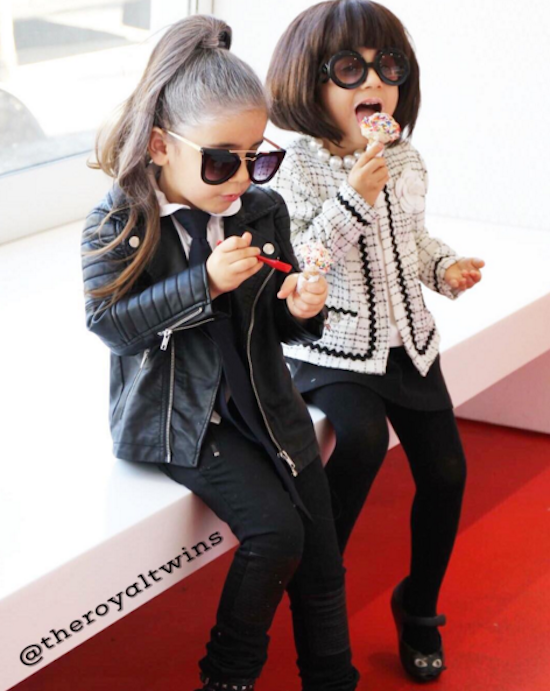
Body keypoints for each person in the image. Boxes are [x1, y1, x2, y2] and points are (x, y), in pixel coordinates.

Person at [81, 14, 361, 691]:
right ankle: (227, 679)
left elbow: (279, 325)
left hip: (265, 402)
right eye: (220, 160)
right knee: (277, 535)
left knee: (323, 559)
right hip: (180, 419)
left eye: (258, 157)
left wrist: (302, 308)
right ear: (160, 145)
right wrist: (203, 283)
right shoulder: (119, 222)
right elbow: (111, 325)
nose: (241, 177)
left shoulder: (261, 210)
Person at [266, 0, 485, 682]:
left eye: (388, 67)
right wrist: (355, 193)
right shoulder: (296, 167)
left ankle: (418, 607)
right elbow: (302, 258)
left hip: (408, 343)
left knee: (447, 473)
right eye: (349, 68)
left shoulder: (405, 158)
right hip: (330, 346)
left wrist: (445, 268)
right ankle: (318, 583)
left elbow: (412, 241)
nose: (373, 81)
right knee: (359, 440)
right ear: (311, 82)